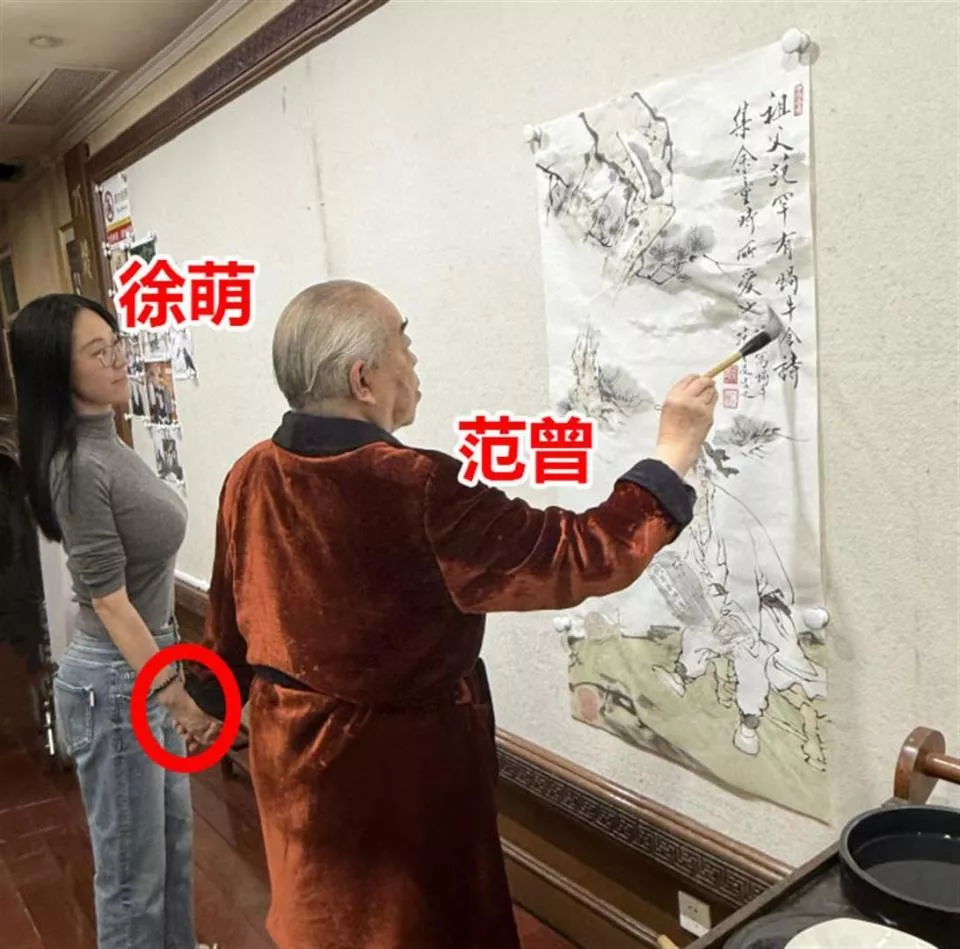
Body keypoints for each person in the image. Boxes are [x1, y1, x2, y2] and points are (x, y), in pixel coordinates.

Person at [182, 280, 717, 949]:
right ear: (363, 379)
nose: (414, 361)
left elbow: (228, 615)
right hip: (396, 781)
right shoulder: (418, 486)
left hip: (288, 756)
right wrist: (672, 452)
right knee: (412, 926)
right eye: (403, 343)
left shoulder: (251, 470)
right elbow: (579, 553)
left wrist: (210, 697)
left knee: (318, 919)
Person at [9, 293, 219, 949]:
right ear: (56, 371)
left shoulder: (108, 441)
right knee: (133, 879)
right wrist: (174, 693)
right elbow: (109, 601)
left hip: (147, 663)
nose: (119, 360)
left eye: (117, 343)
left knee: (173, 846)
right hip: (118, 683)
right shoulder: (77, 465)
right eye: (98, 352)